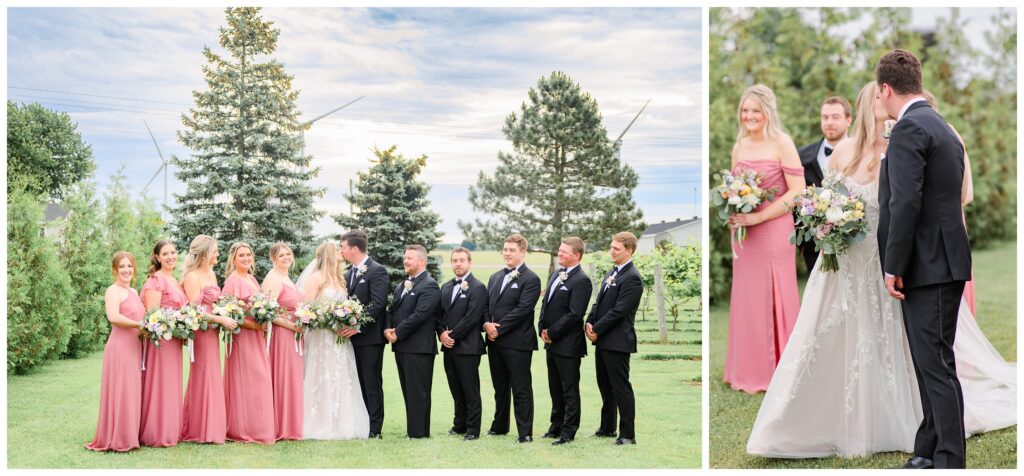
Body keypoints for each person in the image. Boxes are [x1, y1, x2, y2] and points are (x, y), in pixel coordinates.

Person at [747, 79, 1014, 464]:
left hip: (893, 259)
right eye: (873, 98)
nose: (880, 103)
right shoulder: (844, 152)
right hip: (850, 260)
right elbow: (826, 200)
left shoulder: (905, 141)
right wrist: (826, 222)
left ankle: (929, 438)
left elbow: (913, 203)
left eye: (881, 95)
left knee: (913, 349)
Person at [877, 50, 972, 469]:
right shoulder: (940, 126)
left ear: (886, 89)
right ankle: (928, 448)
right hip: (945, 261)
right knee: (932, 361)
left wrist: (893, 265)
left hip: (927, 265)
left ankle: (950, 457)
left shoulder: (910, 128)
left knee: (935, 365)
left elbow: (905, 203)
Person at [724, 84, 805, 393]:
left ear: (768, 112)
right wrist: (735, 208)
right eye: (745, 110)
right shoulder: (740, 145)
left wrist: (758, 216)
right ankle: (748, 368)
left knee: (775, 292)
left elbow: (797, 191)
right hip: (745, 231)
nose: (749, 116)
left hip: (774, 228)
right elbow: (734, 187)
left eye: (755, 110)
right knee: (748, 297)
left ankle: (781, 367)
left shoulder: (782, 142)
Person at [298, 241, 370, 440]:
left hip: (341, 338)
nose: (341, 252)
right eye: (337, 250)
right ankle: (320, 422)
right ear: (329, 254)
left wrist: (348, 318)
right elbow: (307, 310)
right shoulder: (316, 278)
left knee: (341, 375)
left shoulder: (340, 278)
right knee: (322, 374)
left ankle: (342, 422)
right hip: (322, 336)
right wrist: (330, 322)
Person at [586, 232, 643, 446]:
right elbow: (599, 303)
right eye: (611, 247)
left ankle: (627, 434)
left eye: (616, 248)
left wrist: (597, 329)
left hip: (618, 341)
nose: (611, 251)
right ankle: (607, 427)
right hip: (602, 339)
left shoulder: (632, 278)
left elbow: (619, 311)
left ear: (629, 250)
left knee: (620, 387)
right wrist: (589, 323)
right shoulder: (613, 272)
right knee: (605, 386)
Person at [483, 233, 542, 443]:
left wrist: (499, 328)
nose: (507, 253)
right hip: (494, 342)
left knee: (521, 387)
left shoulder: (531, 279)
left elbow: (523, 309)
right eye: (505, 249)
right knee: (500, 386)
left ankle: (525, 432)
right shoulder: (495, 277)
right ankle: (499, 426)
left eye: (512, 250)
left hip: (517, 342)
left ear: (522, 252)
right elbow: (486, 306)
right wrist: (486, 324)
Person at [180, 235, 237, 444]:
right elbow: (193, 311)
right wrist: (219, 318)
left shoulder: (211, 274)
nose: (218, 255)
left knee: (213, 375)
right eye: (215, 251)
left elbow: (214, 301)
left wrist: (227, 310)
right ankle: (199, 429)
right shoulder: (192, 277)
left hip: (213, 331)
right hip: (202, 332)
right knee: (204, 375)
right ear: (204, 254)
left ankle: (211, 428)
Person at [85, 252, 144, 452]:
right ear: (115, 270)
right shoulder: (113, 291)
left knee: (131, 391)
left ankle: (129, 434)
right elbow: (113, 317)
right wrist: (139, 325)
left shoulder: (135, 292)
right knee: (122, 390)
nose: (126, 270)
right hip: (120, 347)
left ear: (134, 269)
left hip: (135, 347)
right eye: (122, 267)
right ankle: (118, 437)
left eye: (129, 266)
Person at [538, 237, 593, 446]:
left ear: (576, 255)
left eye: (564, 251)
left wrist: (552, 332)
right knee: (554, 387)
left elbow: (574, 314)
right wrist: (542, 328)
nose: (559, 254)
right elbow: (545, 304)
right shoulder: (555, 274)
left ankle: (568, 431)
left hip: (568, 344)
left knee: (569, 388)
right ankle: (555, 426)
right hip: (550, 341)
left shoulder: (581, 280)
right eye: (559, 250)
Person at [384, 245, 442, 438]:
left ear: (422, 261)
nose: (405, 261)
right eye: (405, 257)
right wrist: (388, 329)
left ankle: (419, 432)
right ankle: (414, 430)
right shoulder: (403, 284)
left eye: (409, 258)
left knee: (419, 391)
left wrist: (398, 332)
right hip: (402, 346)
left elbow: (420, 315)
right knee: (408, 390)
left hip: (419, 348)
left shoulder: (430, 285)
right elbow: (392, 310)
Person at [222, 241, 276, 444]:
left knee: (259, 380)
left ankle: (258, 426)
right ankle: (241, 429)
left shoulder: (252, 278)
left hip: (257, 338)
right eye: (241, 255)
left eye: (248, 255)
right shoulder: (232, 281)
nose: (246, 258)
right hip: (243, 338)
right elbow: (229, 313)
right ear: (233, 259)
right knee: (247, 380)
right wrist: (255, 326)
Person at [338, 229, 390, 439]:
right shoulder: (348, 273)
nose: (341, 251)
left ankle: (375, 428)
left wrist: (357, 326)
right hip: (350, 338)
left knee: (371, 382)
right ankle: (361, 423)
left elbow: (378, 304)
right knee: (356, 381)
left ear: (354, 248)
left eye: (343, 247)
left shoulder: (377, 270)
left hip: (369, 338)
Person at [139, 239, 187, 447]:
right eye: (165, 254)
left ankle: (171, 429)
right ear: (157, 257)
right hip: (160, 342)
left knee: (172, 384)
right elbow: (152, 315)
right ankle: (157, 432)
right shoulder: (156, 280)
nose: (170, 257)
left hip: (174, 341)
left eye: (173, 253)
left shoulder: (174, 280)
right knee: (161, 384)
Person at [797, 96, 852, 271]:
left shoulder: (861, 153)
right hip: (814, 246)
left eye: (835, 117)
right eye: (825, 117)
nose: (829, 122)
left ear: (848, 120)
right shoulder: (802, 156)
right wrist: (803, 243)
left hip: (852, 241)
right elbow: (797, 199)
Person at [438, 247, 488, 441]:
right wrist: (442, 333)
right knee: (455, 388)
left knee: (470, 389)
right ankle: (459, 424)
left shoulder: (477, 287)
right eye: (455, 260)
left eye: (461, 260)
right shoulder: (446, 287)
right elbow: (439, 314)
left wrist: (453, 335)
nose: (458, 263)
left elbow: (473, 317)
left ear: (469, 263)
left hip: (468, 347)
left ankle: (473, 429)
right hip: (448, 346)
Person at [262, 242, 303, 441]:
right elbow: (268, 313)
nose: (286, 257)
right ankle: (281, 426)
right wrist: (292, 326)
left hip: (294, 336)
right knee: (283, 378)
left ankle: (291, 425)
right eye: (281, 256)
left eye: (288, 254)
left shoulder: (286, 277)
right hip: (282, 336)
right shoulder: (273, 279)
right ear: (273, 259)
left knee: (292, 379)